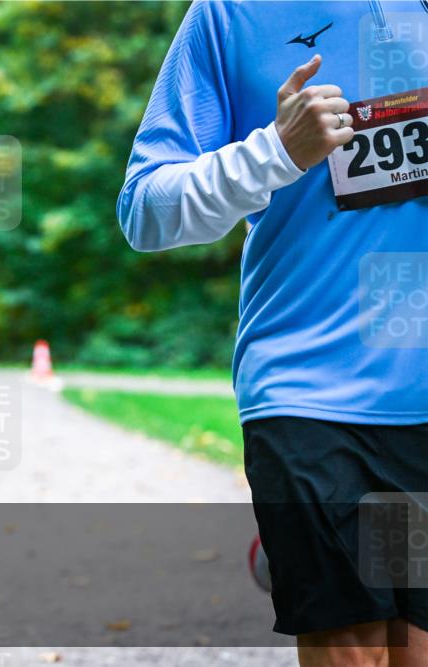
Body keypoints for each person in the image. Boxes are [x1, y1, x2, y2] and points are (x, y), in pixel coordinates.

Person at [117, 2, 427, 666]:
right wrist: (275, 152)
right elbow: (143, 210)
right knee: (353, 649)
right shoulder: (231, 14)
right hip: (310, 391)